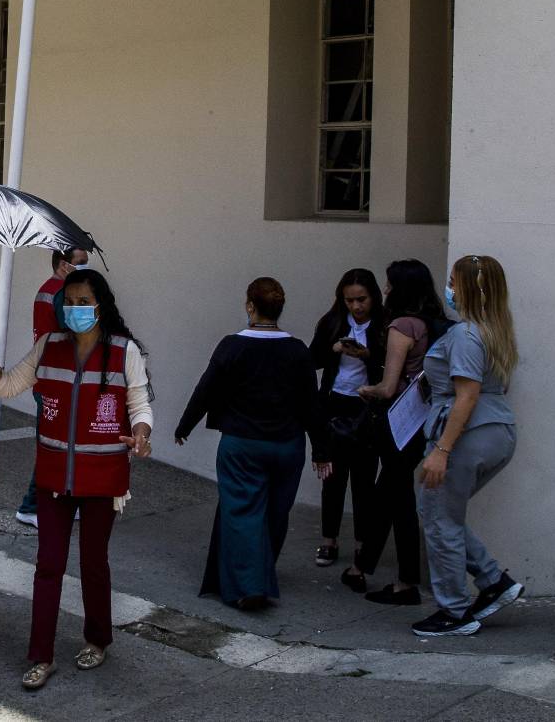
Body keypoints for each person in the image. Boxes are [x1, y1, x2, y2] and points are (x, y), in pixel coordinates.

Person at [0, 268, 153, 691]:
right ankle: (40, 656)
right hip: (53, 477)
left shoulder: (123, 350)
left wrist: (141, 433)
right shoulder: (49, 346)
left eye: (84, 302)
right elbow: (6, 386)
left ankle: (97, 640)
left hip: (103, 477)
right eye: (70, 302)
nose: (76, 309)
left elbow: (139, 403)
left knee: (93, 563)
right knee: (48, 565)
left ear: (101, 305)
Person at [174, 277, 331, 609]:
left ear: (250, 306)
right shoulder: (297, 350)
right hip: (288, 446)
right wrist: (321, 448)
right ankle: (261, 570)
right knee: (276, 513)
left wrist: (185, 425)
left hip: (242, 444)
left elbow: (207, 388)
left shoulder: (233, 346)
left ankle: (248, 585)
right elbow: (311, 404)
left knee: (243, 512)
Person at [412, 254, 523, 637]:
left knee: (438, 516)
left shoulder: (465, 335)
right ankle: (494, 582)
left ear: (470, 290)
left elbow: (466, 396)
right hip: (495, 431)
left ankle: (454, 610)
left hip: (467, 435)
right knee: (443, 511)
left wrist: (441, 450)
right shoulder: (494, 331)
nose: (449, 289)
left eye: (453, 282)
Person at [348, 260, 451, 604]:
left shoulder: (402, 326)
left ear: (402, 288)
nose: (386, 290)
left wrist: (366, 391)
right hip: (428, 420)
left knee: (396, 499)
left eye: (390, 284)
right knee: (392, 493)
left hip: (399, 423)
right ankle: (362, 566)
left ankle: (403, 581)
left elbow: (388, 387)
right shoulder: (439, 325)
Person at [309, 268, 384, 584]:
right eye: (350, 300)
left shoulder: (383, 325)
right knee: (332, 476)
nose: (356, 306)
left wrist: (367, 355)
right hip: (335, 403)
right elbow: (311, 359)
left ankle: (361, 543)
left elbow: (387, 365)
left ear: (373, 297)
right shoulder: (332, 322)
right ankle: (329, 539)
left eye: (362, 300)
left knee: (364, 479)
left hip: (367, 405)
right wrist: (335, 350)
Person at [16, 246, 90, 528]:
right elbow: (74, 330)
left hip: (50, 375)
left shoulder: (49, 289)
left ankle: (55, 500)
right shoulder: (61, 294)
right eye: (79, 263)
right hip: (55, 379)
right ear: (63, 264)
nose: (84, 267)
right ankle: (32, 506)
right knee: (53, 443)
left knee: (59, 441)